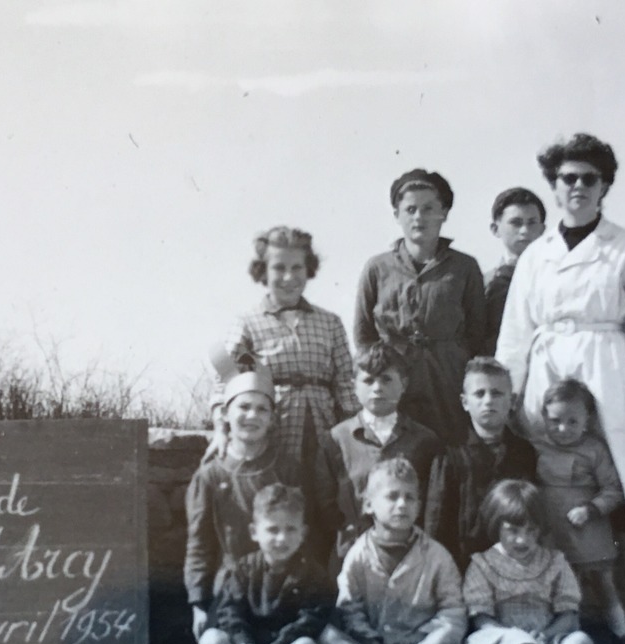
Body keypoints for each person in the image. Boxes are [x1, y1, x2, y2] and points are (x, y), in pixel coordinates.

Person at [495, 132, 625, 644]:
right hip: (547, 384)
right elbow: (514, 333)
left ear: (605, 187)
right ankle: (569, 632)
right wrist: (509, 400)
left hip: (613, 383)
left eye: (589, 179)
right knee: (554, 508)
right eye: (567, 179)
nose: (577, 187)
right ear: (553, 188)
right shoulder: (536, 256)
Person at [354, 168, 490, 445]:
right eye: (411, 209)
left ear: (444, 213)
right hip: (394, 382)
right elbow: (363, 334)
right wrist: (384, 374)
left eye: (428, 208)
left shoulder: (464, 267)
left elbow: (478, 331)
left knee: (449, 450)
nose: (419, 217)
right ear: (397, 215)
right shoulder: (377, 267)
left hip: (447, 380)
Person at [319, 458, 466, 644]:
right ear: (368, 505)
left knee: (449, 637)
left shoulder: (437, 556)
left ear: (419, 505)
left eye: (410, 498)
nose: (401, 505)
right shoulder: (358, 555)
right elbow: (349, 608)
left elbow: (453, 612)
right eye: (392, 496)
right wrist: (369, 640)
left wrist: (421, 637)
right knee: (327, 635)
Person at [213, 226, 359, 467]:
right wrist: (220, 430)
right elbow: (225, 383)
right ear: (263, 272)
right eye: (279, 268)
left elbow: (345, 385)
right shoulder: (247, 323)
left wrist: (354, 436)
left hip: (325, 435)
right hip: (272, 437)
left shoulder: (330, 322)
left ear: (308, 269)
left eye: (297, 268)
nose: (289, 277)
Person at [176, 484, 333, 644]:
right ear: (254, 532)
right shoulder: (243, 570)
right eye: (273, 529)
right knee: (210, 641)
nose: (281, 539)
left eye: (291, 529)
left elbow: (310, 620)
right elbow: (230, 613)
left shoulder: (312, 573)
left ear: (303, 533)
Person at [463, 480, 610, 644]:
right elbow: (482, 620)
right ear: (495, 525)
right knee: (515, 639)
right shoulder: (482, 564)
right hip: (499, 642)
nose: (522, 540)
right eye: (512, 531)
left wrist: (546, 635)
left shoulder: (555, 561)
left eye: (531, 530)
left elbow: (569, 615)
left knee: (582, 641)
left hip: (547, 640)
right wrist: (518, 639)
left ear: (540, 529)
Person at [184, 367, 303, 639]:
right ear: (226, 414)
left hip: (281, 583)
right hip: (230, 589)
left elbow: (305, 534)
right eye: (244, 407)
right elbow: (198, 544)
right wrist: (198, 604)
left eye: (262, 409)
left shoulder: (287, 470)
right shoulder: (211, 475)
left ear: (272, 419)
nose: (252, 416)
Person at [318, 343, 442, 560]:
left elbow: (433, 502)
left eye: (386, 379)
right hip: (351, 553)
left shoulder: (425, 440)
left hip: (410, 553)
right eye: (368, 380)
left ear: (403, 384)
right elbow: (324, 501)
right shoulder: (337, 439)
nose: (377, 388)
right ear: (354, 386)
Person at [534, 379, 625, 644]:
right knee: (560, 592)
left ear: (587, 419)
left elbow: (614, 489)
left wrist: (590, 509)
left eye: (573, 421)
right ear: (544, 416)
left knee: (604, 585)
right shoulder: (536, 446)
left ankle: (622, 641)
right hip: (552, 532)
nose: (563, 429)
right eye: (555, 420)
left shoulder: (594, 449)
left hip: (589, 532)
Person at [423, 356, 538, 571]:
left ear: (512, 401)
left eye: (497, 393)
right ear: (465, 402)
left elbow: (531, 513)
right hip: (462, 563)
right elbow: (436, 519)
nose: (488, 401)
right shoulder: (450, 453)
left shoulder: (523, 452)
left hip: (513, 563)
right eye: (479, 393)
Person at [482, 186, 547, 339]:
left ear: (542, 229)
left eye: (532, 223)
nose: (524, 230)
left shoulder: (555, 278)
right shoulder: (483, 283)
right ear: (495, 229)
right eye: (516, 223)